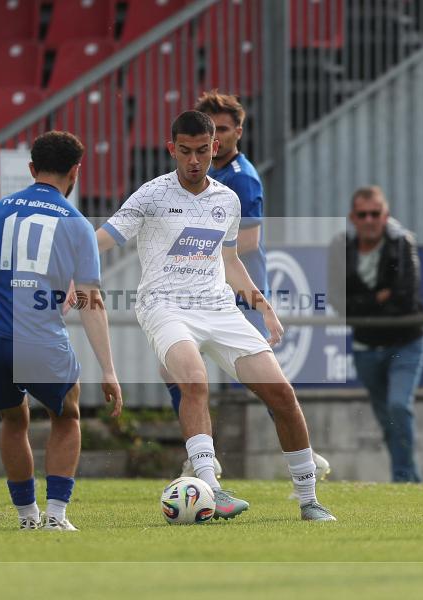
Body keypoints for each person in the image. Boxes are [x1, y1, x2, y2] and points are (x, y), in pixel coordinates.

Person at [97, 110, 336, 522]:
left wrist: (263, 306)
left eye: (202, 151)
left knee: (281, 394)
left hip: (219, 308)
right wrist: (73, 271)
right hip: (165, 306)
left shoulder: (228, 199)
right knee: (194, 380)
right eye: (185, 151)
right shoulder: (151, 195)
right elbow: (102, 238)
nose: (194, 160)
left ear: (215, 147)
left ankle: (308, 499)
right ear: (171, 149)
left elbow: (230, 260)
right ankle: (211, 488)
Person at [0, 131, 123, 532]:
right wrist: (108, 369)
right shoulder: (76, 224)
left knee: (13, 418)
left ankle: (27, 518)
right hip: (36, 336)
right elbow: (90, 300)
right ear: (76, 172)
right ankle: (55, 516)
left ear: (31, 168)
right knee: (67, 412)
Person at [171, 91, 332, 487]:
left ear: (238, 132)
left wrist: (188, 250)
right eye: (212, 129)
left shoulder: (241, 178)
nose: (218, 137)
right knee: (175, 370)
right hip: (205, 290)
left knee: (264, 383)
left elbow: (246, 242)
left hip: (238, 294)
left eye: (224, 129)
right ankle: (201, 456)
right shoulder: (199, 176)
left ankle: (305, 457)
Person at [328, 186, 423, 482]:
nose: (369, 220)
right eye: (363, 214)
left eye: (375, 213)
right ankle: (408, 478)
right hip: (366, 346)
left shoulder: (402, 244)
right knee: (387, 418)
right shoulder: (341, 248)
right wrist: (377, 298)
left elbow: (405, 297)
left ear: (386, 216)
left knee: (399, 406)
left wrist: (363, 304)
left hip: (405, 342)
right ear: (352, 218)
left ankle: (405, 478)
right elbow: (338, 301)